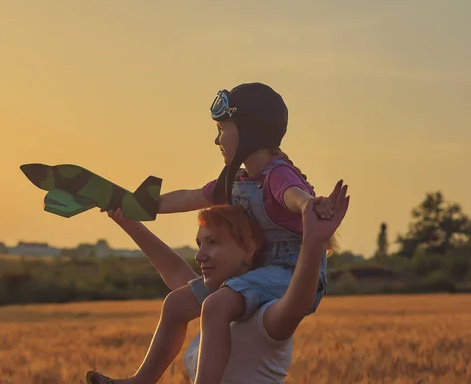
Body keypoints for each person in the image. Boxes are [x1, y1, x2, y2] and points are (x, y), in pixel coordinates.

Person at [88, 82, 337, 384]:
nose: (216, 139)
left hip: (291, 272)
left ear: (249, 130)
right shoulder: (236, 181)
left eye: (222, 129)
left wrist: (311, 206)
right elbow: (187, 197)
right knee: (175, 304)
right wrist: (136, 207)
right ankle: (140, 381)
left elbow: (295, 195)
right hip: (255, 271)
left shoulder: (278, 174)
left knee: (216, 305)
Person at [87, 180, 350, 383]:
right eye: (199, 244)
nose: (200, 255)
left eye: (213, 243)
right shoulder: (214, 306)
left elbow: (298, 302)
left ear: (250, 249)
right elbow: (174, 271)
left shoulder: (263, 318)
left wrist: (313, 241)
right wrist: (127, 221)